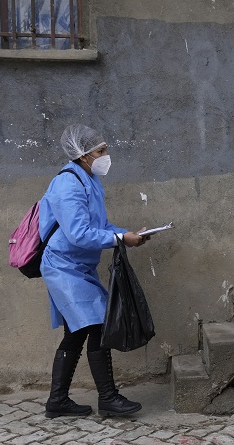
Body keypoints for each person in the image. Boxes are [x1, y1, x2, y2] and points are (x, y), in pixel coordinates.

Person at [40, 124, 152, 419]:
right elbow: (78, 233)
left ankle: (58, 402)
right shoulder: (68, 184)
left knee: (76, 333)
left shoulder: (88, 180)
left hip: (79, 266)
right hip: (63, 266)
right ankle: (108, 398)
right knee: (98, 326)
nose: (106, 156)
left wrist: (127, 234)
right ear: (83, 154)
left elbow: (97, 228)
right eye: (100, 151)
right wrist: (119, 239)